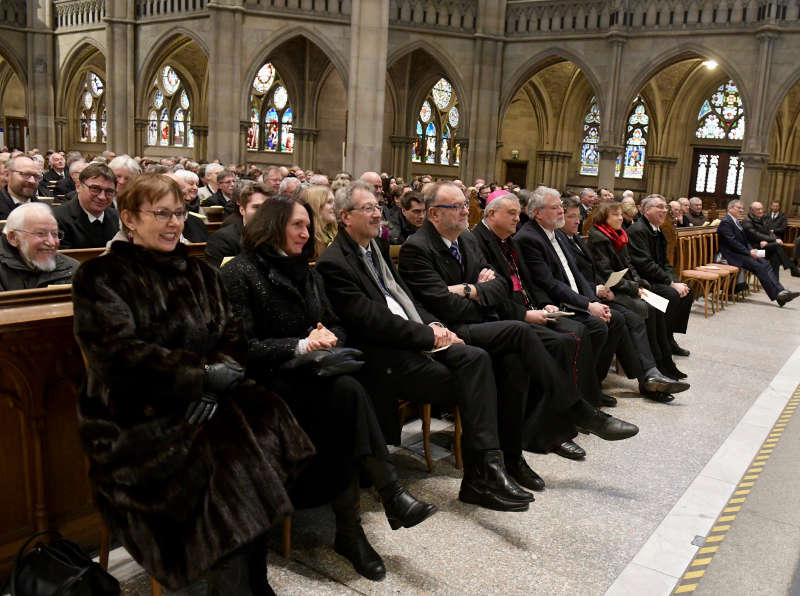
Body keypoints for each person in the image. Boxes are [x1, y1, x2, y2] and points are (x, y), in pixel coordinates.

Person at [72, 174, 316, 594]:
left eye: (180, 213)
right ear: (128, 218)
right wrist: (198, 376)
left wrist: (213, 382)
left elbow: (234, 335)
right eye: (161, 214)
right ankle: (241, 586)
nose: (174, 224)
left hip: (208, 401)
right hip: (132, 417)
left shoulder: (198, 271)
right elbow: (117, 356)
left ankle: (248, 581)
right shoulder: (102, 276)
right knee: (231, 468)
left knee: (265, 430)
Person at [220, 196, 437, 581]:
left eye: (307, 225)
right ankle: (374, 511)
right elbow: (240, 347)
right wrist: (301, 344)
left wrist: (325, 335)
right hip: (264, 384)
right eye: (297, 226)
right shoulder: (239, 272)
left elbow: (337, 324)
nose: (306, 234)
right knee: (347, 397)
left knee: (345, 397)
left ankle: (364, 521)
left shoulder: (307, 271)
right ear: (272, 227)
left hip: (314, 377)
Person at [399, 182, 639, 487]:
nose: (465, 211)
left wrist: (470, 290)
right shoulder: (417, 248)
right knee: (521, 330)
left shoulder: (465, 241)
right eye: (456, 207)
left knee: (515, 363)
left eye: (464, 205)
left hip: (484, 321)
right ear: (433, 213)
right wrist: (480, 291)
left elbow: (500, 286)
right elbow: (446, 306)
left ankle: (512, 459)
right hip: (451, 332)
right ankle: (578, 409)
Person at [316, 181, 534, 509]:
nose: (378, 215)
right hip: (384, 353)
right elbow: (372, 320)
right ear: (345, 217)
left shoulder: (374, 249)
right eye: (369, 209)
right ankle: (483, 473)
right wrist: (428, 336)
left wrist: (434, 325)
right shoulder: (335, 262)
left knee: (491, 360)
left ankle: (488, 467)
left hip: (412, 336)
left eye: (377, 207)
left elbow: (405, 298)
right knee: (481, 370)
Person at [586, 201, 691, 399]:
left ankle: (661, 363)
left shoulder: (618, 234)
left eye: (620, 214)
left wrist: (639, 283)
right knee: (644, 310)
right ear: (604, 218)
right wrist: (635, 288)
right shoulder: (600, 237)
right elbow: (607, 274)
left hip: (624, 287)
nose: (620, 218)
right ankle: (653, 372)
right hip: (610, 291)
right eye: (615, 215)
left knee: (657, 304)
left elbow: (629, 266)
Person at [627, 194, 693, 356]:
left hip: (657, 279)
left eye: (665, 208)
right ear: (647, 210)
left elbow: (665, 263)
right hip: (644, 283)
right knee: (671, 295)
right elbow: (645, 264)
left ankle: (668, 337)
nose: (665, 211)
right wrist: (671, 284)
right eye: (660, 207)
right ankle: (661, 341)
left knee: (686, 293)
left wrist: (676, 281)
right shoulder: (638, 230)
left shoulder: (658, 231)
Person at [718, 199, 799, 307]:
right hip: (734, 256)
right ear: (730, 208)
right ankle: (780, 295)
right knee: (760, 267)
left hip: (745, 252)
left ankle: (780, 292)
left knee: (766, 263)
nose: (741, 210)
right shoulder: (726, 222)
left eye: (742, 208)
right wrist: (749, 251)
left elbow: (745, 241)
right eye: (739, 208)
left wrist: (752, 250)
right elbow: (732, 242)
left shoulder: (735, 221)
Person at [0, 202, 79, 290]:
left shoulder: (72, 269)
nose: (51, 242)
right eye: (40, 233)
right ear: (13, 238)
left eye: (55, 234)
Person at [53, 163, 120, 249]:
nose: (102, 197)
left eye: (109, 191)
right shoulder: (57, 219)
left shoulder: (117, 217)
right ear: (78, 187)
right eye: (95, 189)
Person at [205, 183, 271, 268]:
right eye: (256, 207)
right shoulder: (222, 239)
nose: (262, 212)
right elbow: (216, 277)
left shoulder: (278, 235)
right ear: (242, 210)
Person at [741, 201, 800, 277]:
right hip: (753, 252)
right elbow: (756, 235)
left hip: (762, 251)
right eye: (758, 209)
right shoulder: (747, 221)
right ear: (752, 210)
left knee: (775, 255)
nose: (761, 211)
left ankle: (776, 285)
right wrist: (774, 240)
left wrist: (767, 240)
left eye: (761, 209)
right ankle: (792, 268)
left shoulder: (761, 219)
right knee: (776, 246)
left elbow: (768, 232)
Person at [301, 184, 337, 258]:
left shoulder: (337, 231)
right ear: (316, 206)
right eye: (329, 202)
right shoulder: (306, 238)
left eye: (334, 201)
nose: (335, 206)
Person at [0, 155, 41, 220]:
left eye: (36, 176)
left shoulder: (44, 210)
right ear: (7, 175)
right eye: (25, 174)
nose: (32, 181)